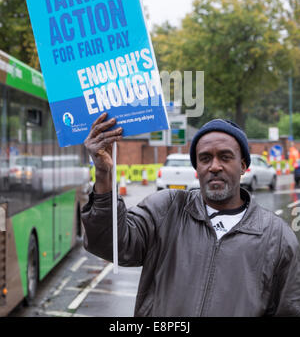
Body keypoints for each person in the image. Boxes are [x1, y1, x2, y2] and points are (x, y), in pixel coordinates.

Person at [81, 114, 300, 317]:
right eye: (205, 159)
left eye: (225, 157)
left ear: (243, 166)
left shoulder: (277, 237)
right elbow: (109, 243)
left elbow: (289, 308)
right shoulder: (167, 209)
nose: (215, 166)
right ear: (197, 168)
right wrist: (103, 173)